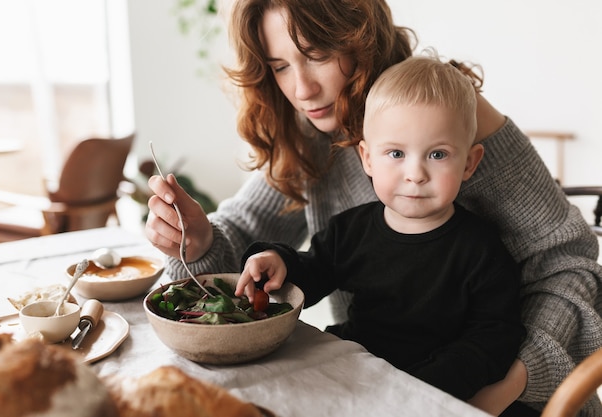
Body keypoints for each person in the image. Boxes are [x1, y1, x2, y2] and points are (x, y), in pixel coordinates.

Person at [145, 1, 602, 415]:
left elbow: (569, 266)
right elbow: (245, 233)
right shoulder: (313, 129)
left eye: (318, 54)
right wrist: (199, 238)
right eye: (281, 66)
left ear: (358, 34)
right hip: (386, 384)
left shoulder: (450, 111)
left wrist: (507, 385)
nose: (302, 89)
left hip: (512, 396)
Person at [235, 55, 527, 405]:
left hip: (434, 390)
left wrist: (425, 388)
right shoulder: (351, 230)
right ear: (368, 158)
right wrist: (277, 261)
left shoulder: (481, 249)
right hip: (357, 371)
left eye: (437, 155)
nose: (415, 173)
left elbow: (494, 337)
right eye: (396, 153)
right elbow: (311, 272)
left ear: (469, 162)